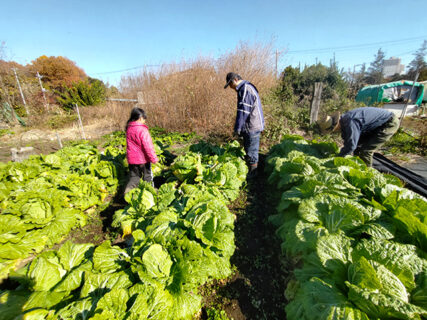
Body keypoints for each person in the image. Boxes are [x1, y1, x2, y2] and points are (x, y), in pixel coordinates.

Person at [317, 106, 399, 166]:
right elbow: (349, 140)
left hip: (388, 123)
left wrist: (337, 159)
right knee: (358, 147)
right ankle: (358, 166)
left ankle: (367, 174)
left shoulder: (350, 122)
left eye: (333, 130)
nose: (335, 132)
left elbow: (351, 146)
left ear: (335, 125)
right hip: (375, 125)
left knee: (366, 151)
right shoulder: (345, 120)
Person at [224, 72, 265, 177]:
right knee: (249, 148)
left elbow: (244, 110)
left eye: (230, 84)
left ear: (235, 80)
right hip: (251, 125)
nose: (230, 87)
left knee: (252, 150)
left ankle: (253, 175)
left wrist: (238, 127)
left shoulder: (245, 88)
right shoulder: (245, 87)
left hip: (252, 126)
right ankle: (251, 170)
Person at [124, 107, 158, 193]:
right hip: (143, 160)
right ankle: (151, 194)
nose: (144, 121)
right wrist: (153, 158)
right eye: (144, 118)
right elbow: (148, 146)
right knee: (148, 178)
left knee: (134, 178)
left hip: (132, 160)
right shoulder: (142, 130)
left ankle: (127, 192)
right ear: (140, 118)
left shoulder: (129, 128)